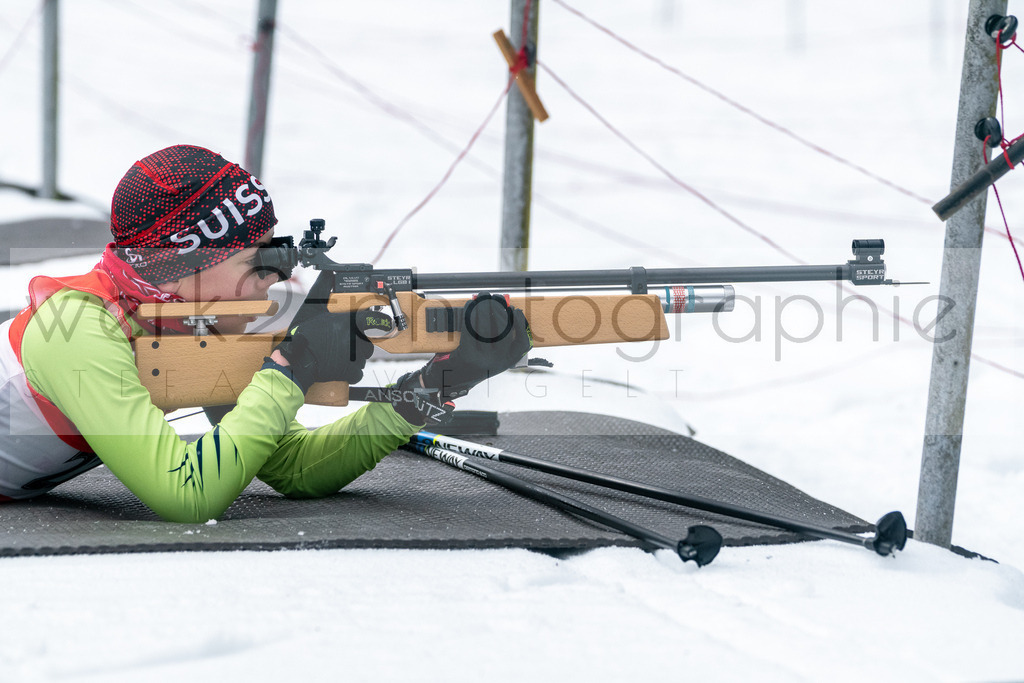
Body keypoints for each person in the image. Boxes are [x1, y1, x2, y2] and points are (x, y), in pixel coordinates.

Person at [0, 144, 531, 522]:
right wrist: (289, 371)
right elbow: (186, 495)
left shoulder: (189, 329)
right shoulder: (79, 329)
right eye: (258, 262)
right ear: (186, 265)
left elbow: (298, 469)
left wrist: (438, 384)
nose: (275, 283)